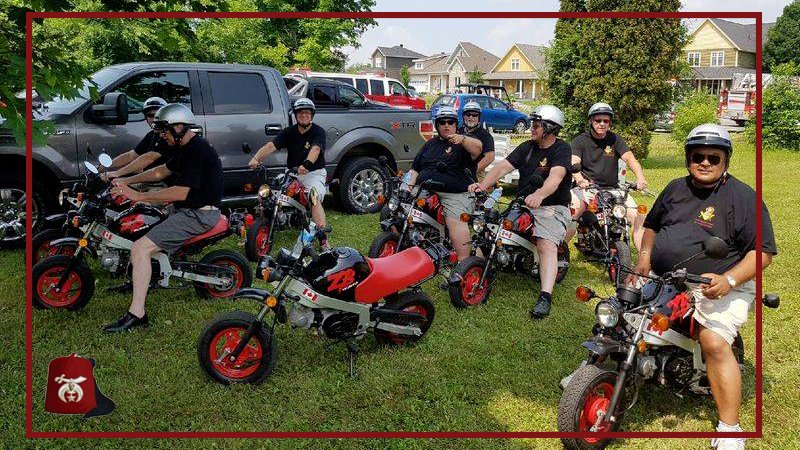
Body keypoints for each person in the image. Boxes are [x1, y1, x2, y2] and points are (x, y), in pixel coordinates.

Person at [628, 124, 776, 450]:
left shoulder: (744, 198)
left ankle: (730, 428)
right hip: (668, 277)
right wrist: (644, 258)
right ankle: (594, 372)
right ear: (688, 158)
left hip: (722, 283)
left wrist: (730, 280)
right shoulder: (674, 188)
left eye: (713, 157)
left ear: (725, 160)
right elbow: (651, 226)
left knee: (713, 341)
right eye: (698, 156)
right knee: (621, 312)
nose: (705, 162)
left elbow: (762, 253)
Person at [103, 103, 224, 333]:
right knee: (138, 224)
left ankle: (137, 313)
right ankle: (142, 278)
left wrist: (138, 195)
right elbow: (161, 172)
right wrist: (124, 181)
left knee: (140, 249)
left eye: (164, 131)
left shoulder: (199, 151)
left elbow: (180, 192)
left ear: (179, 128)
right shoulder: (185, 147)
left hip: (198, 214)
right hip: (185, 209)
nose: (161, 137)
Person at [469, 105, 572, 319]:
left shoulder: (561, 149)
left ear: (550, 128)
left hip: (552, 206)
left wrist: (540, 195)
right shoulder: (527, 147)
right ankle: (471, 272)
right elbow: (501, 168)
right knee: (491, 230)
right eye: (532, 124)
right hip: (525, 204)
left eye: (536, 125)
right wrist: (483, 185)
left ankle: (545, 296)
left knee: (545, 244)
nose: (531, 129)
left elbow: (556, 178)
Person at [566, 102, 648, 250]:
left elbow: (630, 158)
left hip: (613, 189)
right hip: (587, 188)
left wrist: (640, 178)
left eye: (606, 121)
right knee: (577, 209)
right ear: (591, 121)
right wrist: (579, 179)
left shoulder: (615, 139)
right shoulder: (580, 141)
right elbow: (574, 162)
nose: (602, 124)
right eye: (598, 120)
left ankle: (644, 258)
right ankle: (559, 251)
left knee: (636, 215)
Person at [405, 106, 483, 261]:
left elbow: (479, 148)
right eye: (442, 122)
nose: (446, 125)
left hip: (454, 193)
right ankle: (405, 246)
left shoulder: (463, 143)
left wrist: (463, 139)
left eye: (450, 122)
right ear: (437, 125)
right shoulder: (430, 144)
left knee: (455, 221)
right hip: (425, 188)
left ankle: (464, 261)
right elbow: (415, 169)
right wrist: (408, 189)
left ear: (456, 124)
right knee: (400, 209)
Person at [248, 98, 327, 228]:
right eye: (300, 112)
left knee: (314, 197)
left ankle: (322, 235)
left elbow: (316, 149)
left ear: (312, 115)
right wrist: (256, 159)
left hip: (313, 173)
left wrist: (307, 164)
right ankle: (262, 227)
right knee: (265, 192)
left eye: (307, 113)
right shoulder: (289, 132)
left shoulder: (318, 132)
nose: (303, 115)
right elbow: (271, 146)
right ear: (295, 115)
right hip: (292, 173)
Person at [103, 97, 170, 181]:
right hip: (150, 180)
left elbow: (149, 157)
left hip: (165, 184)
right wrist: (105, 166)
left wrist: (117, 173)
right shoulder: (152, 135)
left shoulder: (169, 135)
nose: (154, 119)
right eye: (150, 115)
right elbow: (131, 155)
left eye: (158, 115)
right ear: (146, 118)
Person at [458, 100, 495, 181]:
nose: (471, 118)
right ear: (463, 116)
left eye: (474, 115)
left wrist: (473, 171)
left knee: (477, 192)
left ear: (479, 117)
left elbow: (490, 157)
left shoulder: (485, 135)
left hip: (476, 173)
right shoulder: (458, 131)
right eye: (468, 115)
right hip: (458, 171)